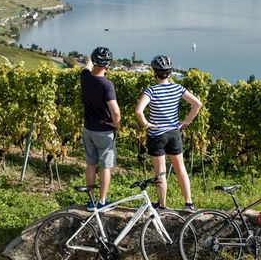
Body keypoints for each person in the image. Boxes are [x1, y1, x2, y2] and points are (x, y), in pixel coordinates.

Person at [135, 55, 203, 211]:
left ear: (155, 72)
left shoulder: (150, 91)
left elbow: (138, 111)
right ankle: (189, 203)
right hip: (174, 134)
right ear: (170, 72)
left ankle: (162, 205)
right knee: (180, 169)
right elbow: (197, 104)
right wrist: (187, 121)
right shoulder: (178, 88)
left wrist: (146, 124)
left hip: (157, 135)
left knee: (161, 173)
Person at [80, 46, 121, 211]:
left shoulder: (84, 77)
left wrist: (92, 55)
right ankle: (102, 202)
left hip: (88, 130)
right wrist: (116, 124)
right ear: (108, 65)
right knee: (105, 166)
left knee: (91, 164)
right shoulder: (107, 85)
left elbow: (87, 65)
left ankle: (91, 202)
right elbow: (115, 110)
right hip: (104, 132)